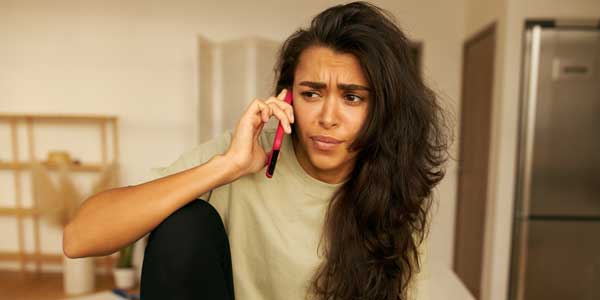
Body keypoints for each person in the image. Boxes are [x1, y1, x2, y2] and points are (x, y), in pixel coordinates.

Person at [63, 2, 449, 299]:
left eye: (352, 98)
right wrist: (227, 165)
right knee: (184, 223)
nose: (328, 117)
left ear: (381, 109)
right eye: (311, 93)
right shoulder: (246, 153)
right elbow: (79, 238)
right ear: (287, 97)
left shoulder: (396, 190)